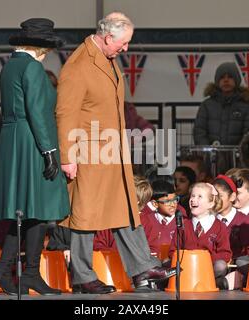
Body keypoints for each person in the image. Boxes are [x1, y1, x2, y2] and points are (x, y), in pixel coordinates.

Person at [56, 12, 176, 294]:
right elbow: (65, 113)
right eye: (123, 43)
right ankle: (83, 275)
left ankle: (143, 267)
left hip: (110, 151)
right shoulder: (78, 65)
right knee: (84, 216)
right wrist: (67, 156)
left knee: (123, 207)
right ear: (108, 37)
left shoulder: (107, 60)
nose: (126, 49)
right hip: (86, 152)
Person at [0, 18, 70, 296]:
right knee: (37, 209)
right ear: (40, 45)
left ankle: (18, 272)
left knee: (30, 212)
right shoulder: (32, 67)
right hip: (32, 140)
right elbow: (36, 111)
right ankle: (20, 272)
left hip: (13, 140)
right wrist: (49, 151)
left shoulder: (9, 66)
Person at [169, 182, 232, 290]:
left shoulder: (220, 226)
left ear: (211, 203)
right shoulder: (183, 225)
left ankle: (213, 282)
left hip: (208, 268)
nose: (193, 199)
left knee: (220, 265)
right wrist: (187, 260)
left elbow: (225, 253)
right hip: (187, 267)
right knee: (166, 264)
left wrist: (204, 260)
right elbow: (173, 250)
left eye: (199, 197)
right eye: (192, 196)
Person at [193, 62, 249, 146]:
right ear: (217, 81)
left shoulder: (246, 107)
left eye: (230, 77)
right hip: (211, 157)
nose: (226, 80)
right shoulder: (206, 105)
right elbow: (199, 131)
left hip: (238, 157)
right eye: (222, 77)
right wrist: (207, 151)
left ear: (236, 80)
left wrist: (240, 152)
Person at [212, 175, 249, 260]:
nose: (215, 200)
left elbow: (248, 251)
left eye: (220, 196)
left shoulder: (243, 221)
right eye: (213, 196)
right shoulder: (209, 219)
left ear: (232, 197)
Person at [141, 180, 179, 263]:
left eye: (175, 199)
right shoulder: (147, 221)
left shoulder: (181, 220)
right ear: (155, 204)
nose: (173, 204)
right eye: (167, 201)